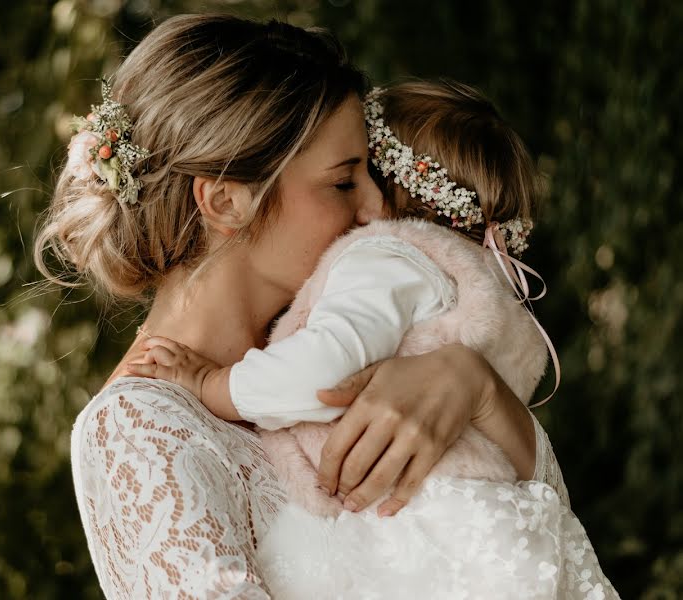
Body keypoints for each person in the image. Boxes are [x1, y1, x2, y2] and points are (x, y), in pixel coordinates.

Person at [36, 14, 572, 598]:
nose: (376, 210)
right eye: (343, 183)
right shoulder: (138, 428)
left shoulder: (367, 348)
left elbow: (542, 548)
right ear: (226, 201)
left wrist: (482, 392)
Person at [129, 81, 620, 598]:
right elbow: (540, 493)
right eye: (343, 182)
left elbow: (319, 374)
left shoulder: (385, 258)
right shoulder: (478, 286)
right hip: (493, 529)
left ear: (401, 187)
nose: (363, 206)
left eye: (368, 176)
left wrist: (212, 383)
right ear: (226, 200)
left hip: (414, 530)